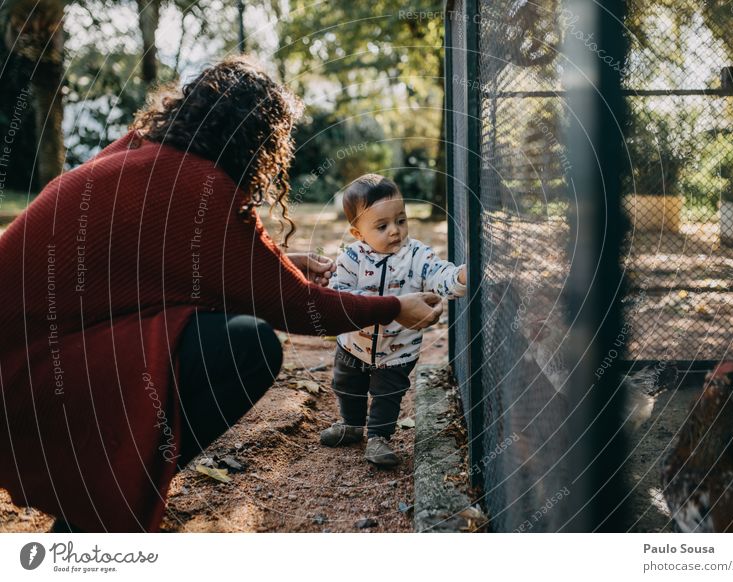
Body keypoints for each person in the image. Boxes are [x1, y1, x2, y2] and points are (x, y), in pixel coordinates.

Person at [0, 56, 443, 532]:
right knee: (247, 345)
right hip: (28, 376)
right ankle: (103, 515)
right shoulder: (200, 187)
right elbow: (302, 309)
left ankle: (98, 503)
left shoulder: (135, 151)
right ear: (259, 140)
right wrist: (396, 306)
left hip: (25, 354)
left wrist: (287, 265)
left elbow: (175, 270)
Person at [320, 174, 466, 466]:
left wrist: (460, 277)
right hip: (353, 344)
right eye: (382, 226)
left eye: (401, 220)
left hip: (399, 348)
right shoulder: (351, 258)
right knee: (347, 384)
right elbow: (339, 294)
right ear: (358, 233)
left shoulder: (417, 255)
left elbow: (439, 274)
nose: (395, 232)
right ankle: (351, 424)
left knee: (388, 393)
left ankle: (378, 437)